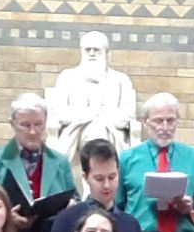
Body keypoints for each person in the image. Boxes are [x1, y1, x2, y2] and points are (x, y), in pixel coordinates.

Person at [119, 92, 194, 232]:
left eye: (171, 120)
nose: (165, 127)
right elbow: (117, 205)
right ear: (145, 122)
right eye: (158, 121)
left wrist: (192, 206)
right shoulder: (127, 159)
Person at [0, 93, 76, 232]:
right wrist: (6, 216)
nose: (33, 131)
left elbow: (74, 198)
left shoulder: (60, 161)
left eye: (38, 124)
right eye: (25, 125)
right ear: (12, 124)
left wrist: (71, 207)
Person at [45, 138, 144, 232]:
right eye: (99, 179)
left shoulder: (131, 224)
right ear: (86, 178)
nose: (107, 185)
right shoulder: (66, 220)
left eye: (112, 177)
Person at [48, 31, 137, 160]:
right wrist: (84, 118)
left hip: (110, 130)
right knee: (95, 132)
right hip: (75, 130)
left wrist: (104, 120)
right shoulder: (67, 77)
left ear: (106, 53)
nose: (91, 53)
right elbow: (59, 110)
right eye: (87, 50)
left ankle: (93, 177)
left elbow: (128, 113)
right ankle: (96, 176)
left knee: (97, 131)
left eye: (96, 50)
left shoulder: (121, 80)